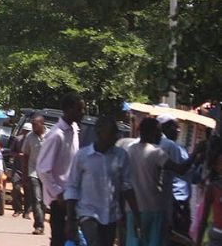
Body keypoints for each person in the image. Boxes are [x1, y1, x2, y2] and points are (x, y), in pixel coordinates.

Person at [65, 116, 140, 246]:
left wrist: (137, 215)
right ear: (99, 132)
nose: (115, 137)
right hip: (88, 213)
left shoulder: (121, 156)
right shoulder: (83, 156)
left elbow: (127, 187)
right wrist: (70, 219)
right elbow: (72, 187)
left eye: (115, 133)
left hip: (111, 215)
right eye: (111, 133)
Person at [126, 118, 195, 246]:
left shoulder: (130, 150)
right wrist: (195, 155)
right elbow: (180, 169)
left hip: (134, 208)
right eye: (158, 132)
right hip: (154, 208)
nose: (160, 135)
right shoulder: (157, 152)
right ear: (152, 133)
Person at [38, 93, 85, 246]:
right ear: (68, 110)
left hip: (73, 196)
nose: (82, 113)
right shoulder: (56, 135)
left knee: (72, 238)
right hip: (60, 200)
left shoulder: (74, 130)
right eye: (79, 109)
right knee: (59, 238)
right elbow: (43, 169)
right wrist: (58, 193)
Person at [156, 114, 192, 236]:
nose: (178, 129)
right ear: (164, 128)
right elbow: (180, 169)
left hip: (176, 200)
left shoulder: (176, 147)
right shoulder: (169, 146)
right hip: (176, 200)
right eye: (174, 126)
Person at [22, 114, 47, 235]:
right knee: (37, 199)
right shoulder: (29, 137)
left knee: (44, 201)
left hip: (48, 173)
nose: (33, 127)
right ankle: (39, 225)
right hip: (34, 172)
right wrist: (25, 174)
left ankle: (42, 220)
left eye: (35, 125)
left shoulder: (51, 135)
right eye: (32, 124)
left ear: (42, 124)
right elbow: (25, 155)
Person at [197, 153, 222, 246]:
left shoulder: (213, 187)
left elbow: (204, 219)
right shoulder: (213, 188)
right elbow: (203, 219)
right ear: (217, 167)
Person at [11, 122, 31, 218]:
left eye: (29, 132)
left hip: (29, 169)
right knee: (16, 188)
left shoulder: (33, 141)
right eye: (25, 131)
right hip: (17, 168)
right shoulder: (17, 139)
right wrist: (18, 155)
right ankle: (17, 209)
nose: (26, 133)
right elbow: (11, 152)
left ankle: (27, 211)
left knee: (29, 191)